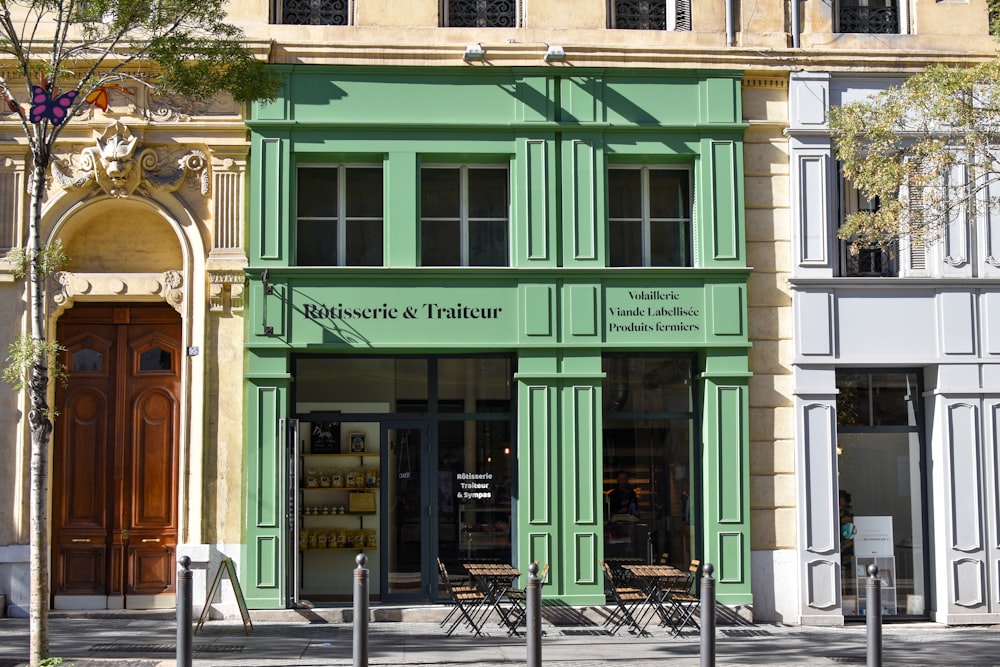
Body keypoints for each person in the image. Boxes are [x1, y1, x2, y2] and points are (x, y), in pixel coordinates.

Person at [839, 489, 855, 574]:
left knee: (847, 565)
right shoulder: (847, 510)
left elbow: (846, 527)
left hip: (846, 542)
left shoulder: (846, 511)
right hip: (846, 541)